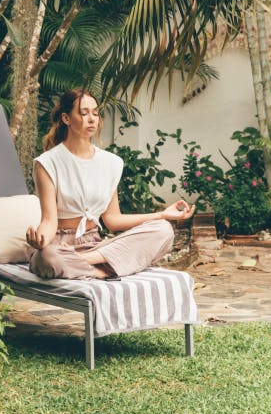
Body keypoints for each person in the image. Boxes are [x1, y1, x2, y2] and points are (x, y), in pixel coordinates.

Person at [26, 88, 195, 280]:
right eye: (83, 113)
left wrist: (162, 214)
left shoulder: (110, 162)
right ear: (66, 118)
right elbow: (49, 221)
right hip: (61, 246)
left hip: (96, 246)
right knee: (47, 258)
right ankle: (104, 270)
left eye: (95, 113)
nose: (92, 119)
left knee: (163, 230)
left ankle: (85, 261)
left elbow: (113, 220)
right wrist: (41, 240)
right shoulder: (48, 162)